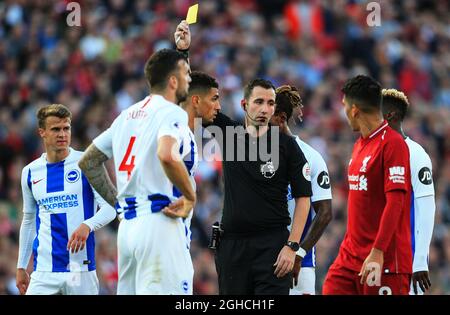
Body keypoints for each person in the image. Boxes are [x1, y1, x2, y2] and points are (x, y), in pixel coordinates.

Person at [78, 48, 197, 295]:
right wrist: (190, 196)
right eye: (186, 74)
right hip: (159, 223)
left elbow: (88, 161)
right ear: (173, 81)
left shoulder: (126, 116)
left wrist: (118, 204)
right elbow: (167, 154)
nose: (190, 79)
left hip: (128, 229)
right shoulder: (172, 112)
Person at [207, 78, 312, 295]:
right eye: (259, 102)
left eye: (270, 103)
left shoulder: (287, 146)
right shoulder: (229, 134)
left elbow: (304, 199)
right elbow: (193, 96)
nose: (265, 109)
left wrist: (292, 246)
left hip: (273, 247)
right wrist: (183, 52)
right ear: (244, 105)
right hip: (232, 248)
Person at [322, 75, 412, 295]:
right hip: (350, 259)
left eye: (344, 106)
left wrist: (378, 251)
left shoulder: (393, 144)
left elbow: (396, 201)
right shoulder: (360, 144)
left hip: (385, 261)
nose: (343, 113)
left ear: (354, 110)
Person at [16, 104, 116, 295]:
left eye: (66, 128)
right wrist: (21, 266)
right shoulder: (29, 172)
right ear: (42, 132)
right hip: (44, 272)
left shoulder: (87, 163)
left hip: (80, 270)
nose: (62, 134)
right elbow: (28, 221)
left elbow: (111, 208)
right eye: (55, 129)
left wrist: (88, 225)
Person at [270, 85, 332, 295]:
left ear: (280, 118)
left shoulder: (311, 157)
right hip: (260, 254)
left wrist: (299, 252)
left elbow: (325, 212)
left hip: (299, 264)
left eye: (265, 117)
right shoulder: (253, 154)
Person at [381, 88, 435, 295]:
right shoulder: (372, 152)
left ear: (389, 115)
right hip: (376, 258)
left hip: (406, 262)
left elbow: (426, 208)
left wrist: (420, 260)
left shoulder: (416, 154)